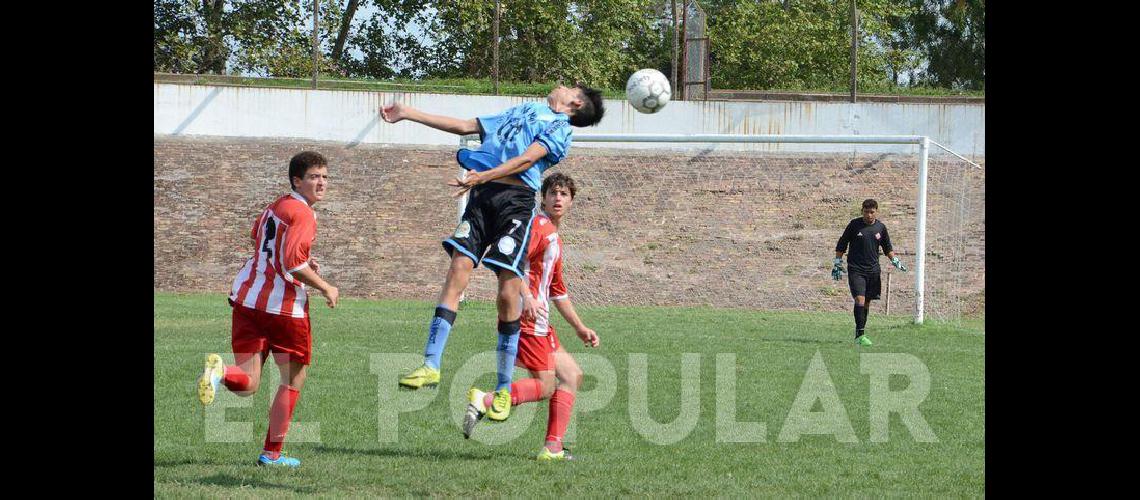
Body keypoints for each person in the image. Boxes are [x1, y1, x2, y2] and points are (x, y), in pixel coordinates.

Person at [381, 85, 605, 422]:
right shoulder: (523, 110)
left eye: (570, 86)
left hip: (514, 205)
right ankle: (431, 363)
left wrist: (483, 175)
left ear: (574, 102)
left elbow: (527, 160)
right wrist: (408, 114)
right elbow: (466, 126)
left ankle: (502, 388)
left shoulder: (560, 128)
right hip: (482, 198)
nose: (561, 84)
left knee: (506, 292)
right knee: (458, 269)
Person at [196, 151, 340, 468]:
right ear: (296, 180)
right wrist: (325, 285)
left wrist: (302, 260)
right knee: (294, 378)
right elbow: (292, 263)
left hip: (247, 301)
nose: (321, 182)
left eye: (325, 177)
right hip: (284, 310)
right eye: (314, 176)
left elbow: (258, 240)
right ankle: (271, 454)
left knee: (247, 383)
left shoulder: (274, 207)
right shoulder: (303, 214)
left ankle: (220, 372)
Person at [462, 173, 599, 461]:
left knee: (572, 375)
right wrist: (526, 295)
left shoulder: (554, 236)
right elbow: (510, 264)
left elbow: (558, 291)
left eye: (564, 194)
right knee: (546, 385)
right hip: (527, 320)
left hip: (542, 322)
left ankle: (553, 448)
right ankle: (485, 400)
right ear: (543, 198)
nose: (558, 199)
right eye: (553, 193)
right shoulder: (538, 226)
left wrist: (580, 328)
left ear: (572, 201)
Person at [832, 198, 907, 346]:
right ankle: (860, 336)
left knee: (866, 303)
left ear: (876, 212)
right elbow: (842, 243)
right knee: (859, 299)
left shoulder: (881, 228)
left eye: (872, 212)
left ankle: (860, 334)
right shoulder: (854, 225)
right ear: (862, 211)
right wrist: (837, 263)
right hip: (856, 269)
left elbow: (887, 248)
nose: (869, 215)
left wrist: (895, 260)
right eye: (866, 212)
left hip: (873, 271)